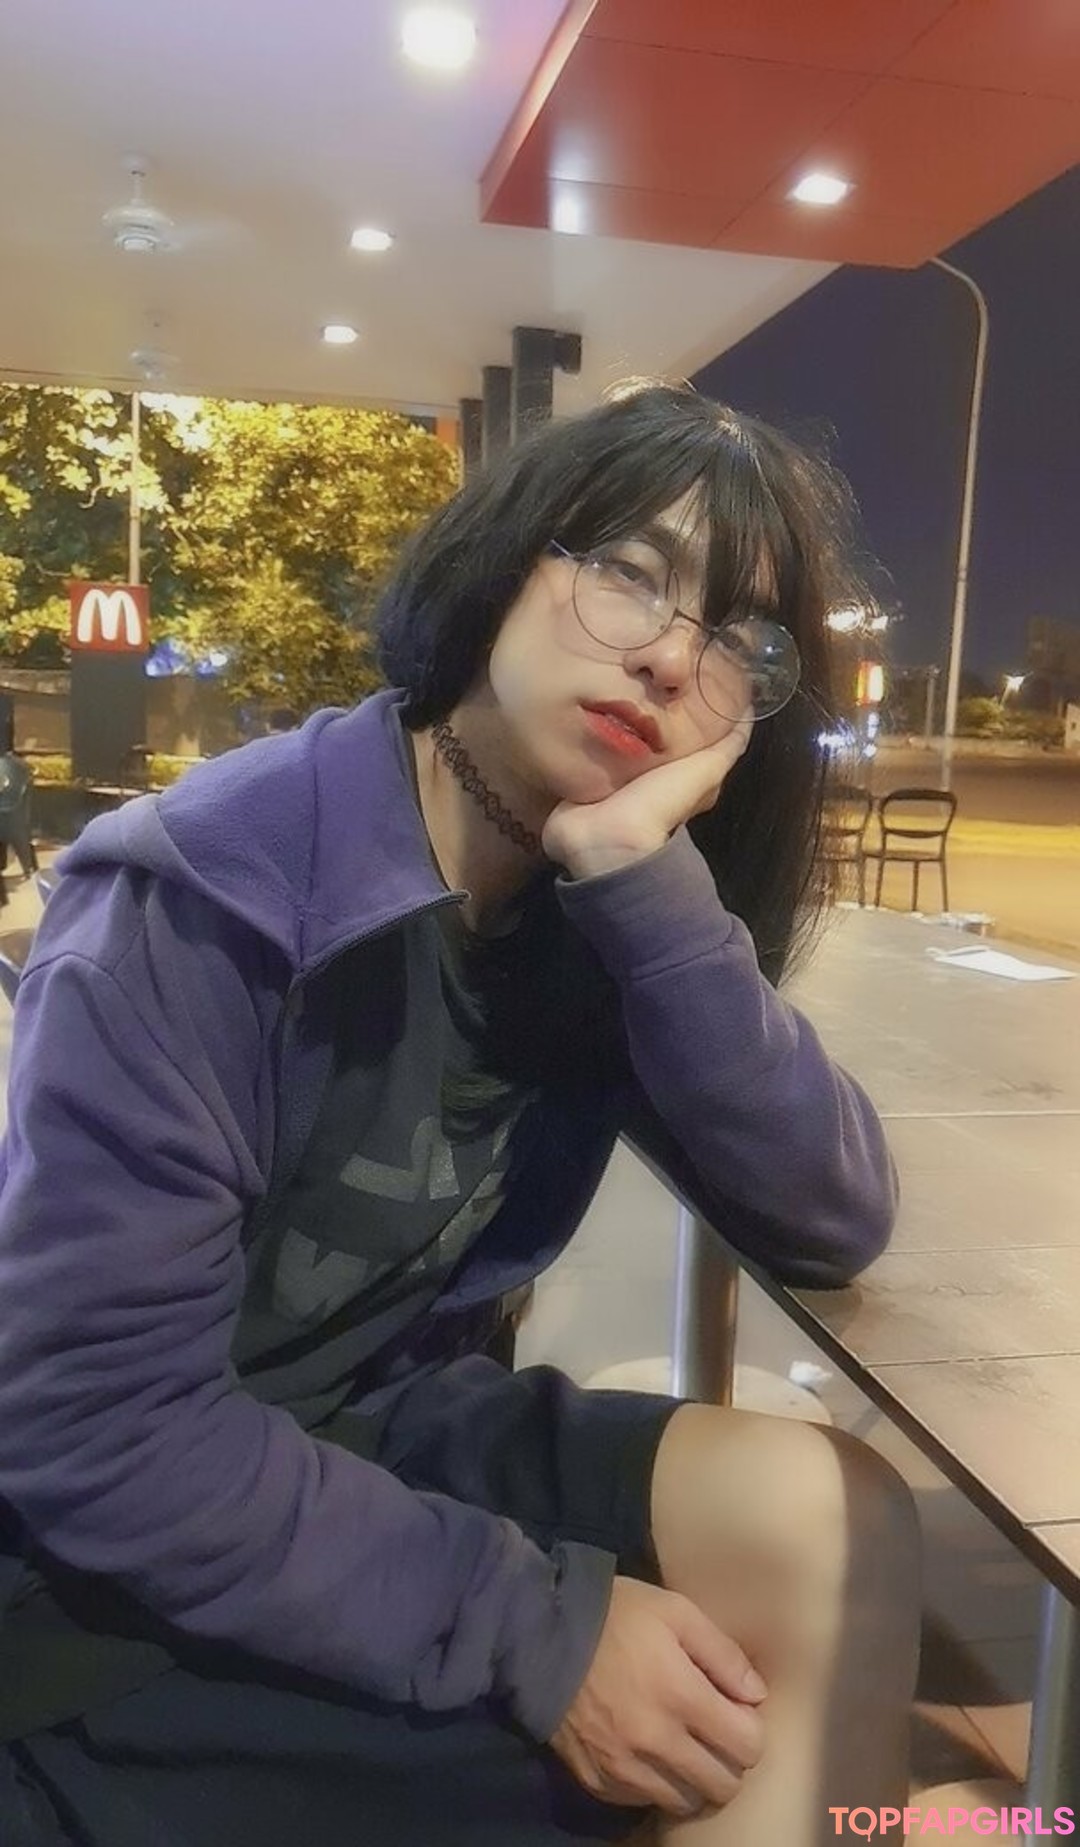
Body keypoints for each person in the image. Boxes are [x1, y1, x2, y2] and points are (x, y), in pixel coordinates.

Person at [0, 383, 920, 1847]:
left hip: (378, 1427)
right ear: (505, 560)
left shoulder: (587, 901)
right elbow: (98, 1429)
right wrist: (539, 1629)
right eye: (633, 573)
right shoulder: (206, 899)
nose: (671, 656)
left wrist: (649, 893)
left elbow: (832, 1213)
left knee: (837, 1518)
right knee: (711, 1750)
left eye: (742, 645)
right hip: (92, 1569)